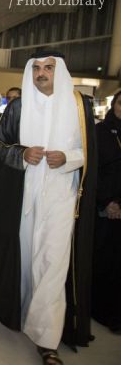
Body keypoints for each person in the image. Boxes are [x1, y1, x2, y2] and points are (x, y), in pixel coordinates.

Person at [0, 51, 96, 365]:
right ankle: (19, 311)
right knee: (24, 258)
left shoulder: (79, 106)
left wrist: (69, 158)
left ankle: (47, 339)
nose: (41, 73)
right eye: (36, 68)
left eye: (48, 68)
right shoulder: (18, 107)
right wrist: (21, 153)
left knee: (53, 261)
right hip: (24, 197)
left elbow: (90, 152)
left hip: (62, 196)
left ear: (59, 71)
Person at [92, 90, 121, 334]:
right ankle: (99, 309)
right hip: (105, 207)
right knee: (104, 258)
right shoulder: (100, 132)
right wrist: (108, 202)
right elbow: (94, 171)